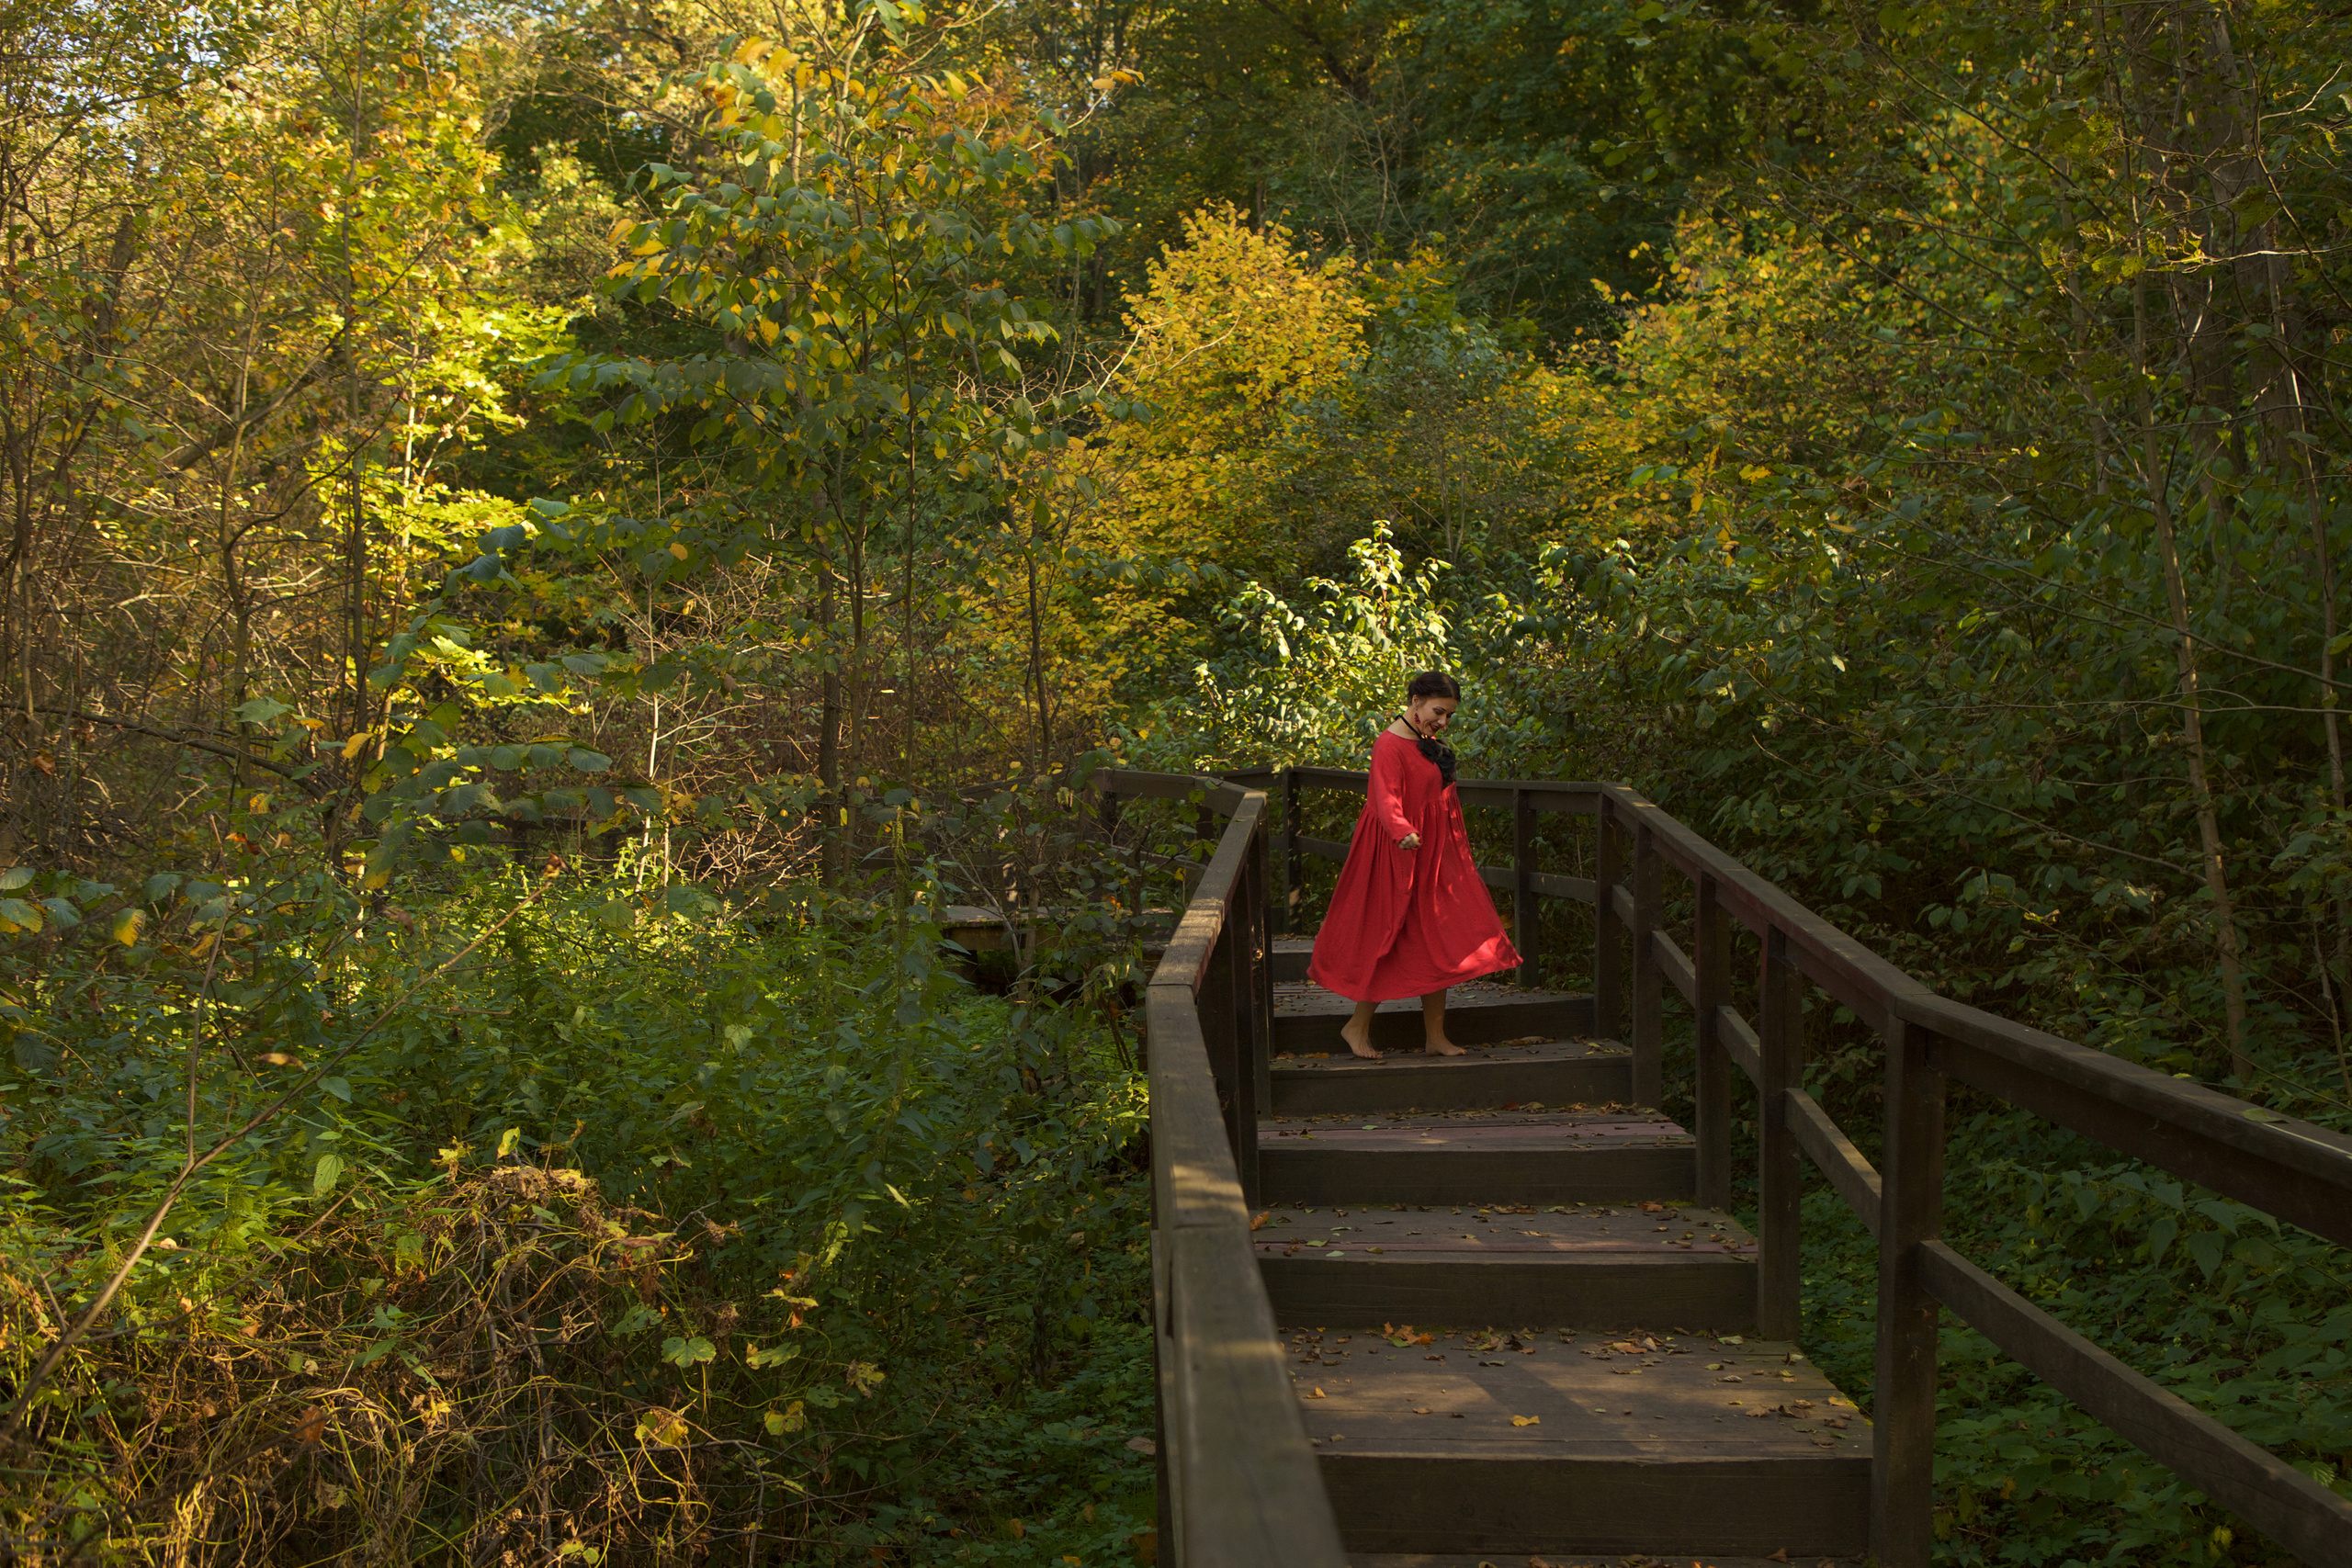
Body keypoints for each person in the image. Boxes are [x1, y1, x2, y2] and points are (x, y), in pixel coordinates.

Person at [1306, 671, 1521, 1058]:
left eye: (1449, 716)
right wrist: (1402, 831)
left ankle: (1435, 1037)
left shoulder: (1427, 741)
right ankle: (1356, 1026)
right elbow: (1385, 797)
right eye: (1439, 711)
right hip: (1397, 853)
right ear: (1415, 700)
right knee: (1390, 935)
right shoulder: (1389, 745)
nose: (1443, 721)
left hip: (1436, 852)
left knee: (1435, 937)